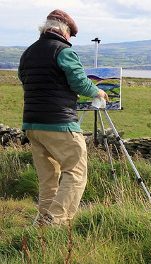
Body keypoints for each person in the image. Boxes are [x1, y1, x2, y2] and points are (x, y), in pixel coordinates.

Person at [18, 9, 108, 226]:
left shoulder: (28, 52)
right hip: (59, 122)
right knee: (75, 171)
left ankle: (41, 222)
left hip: (32, 124)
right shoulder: (63, 50)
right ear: (64, 31)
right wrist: (97, 92)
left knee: (48, 179)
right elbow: (78, 81)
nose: (70, 38)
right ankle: (55, 223)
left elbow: (24, 78)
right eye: (70, 34)